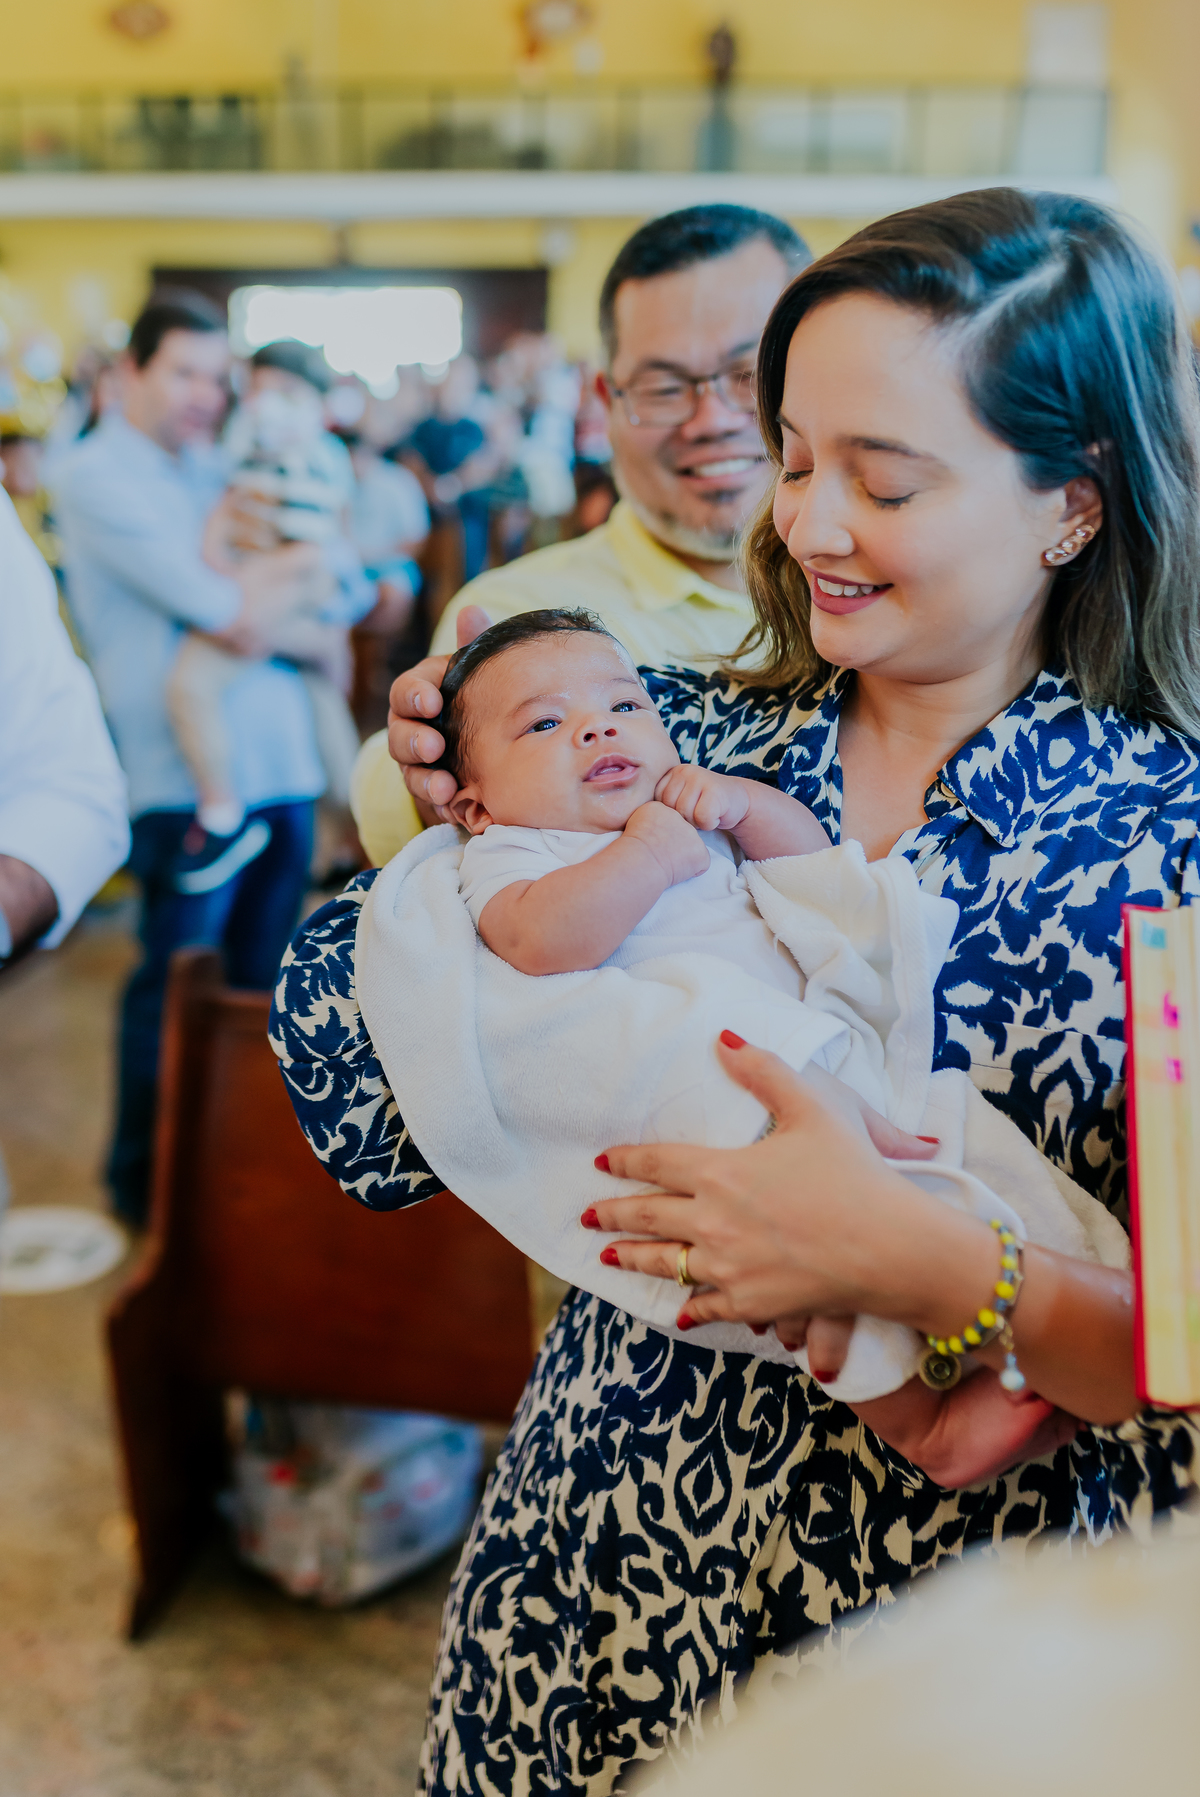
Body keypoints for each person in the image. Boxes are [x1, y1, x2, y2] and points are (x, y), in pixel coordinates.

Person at [272, 188, 1200, 1794]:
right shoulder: (665, 736)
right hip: (599, 1565)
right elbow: (356, 1105)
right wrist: (455, 850)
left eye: (883, 480)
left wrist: (940, 1264)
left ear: (1071, 499)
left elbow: (1178, 1351)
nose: (809, 525)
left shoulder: (1170, 846)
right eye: (795, 458)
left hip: (950, 1660)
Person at [361, 605, 1116, 1484]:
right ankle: (921, 1421)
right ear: (474, 803)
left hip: (827, 1058)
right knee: (815, 1279)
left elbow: (807, 867)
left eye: (624, 706)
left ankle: (1072, 1297)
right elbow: (540, 940)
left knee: (964, 1164)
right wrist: (646, 855)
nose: (598, 728)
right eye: (544, 723)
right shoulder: (513, 851)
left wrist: (746, 806)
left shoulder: (686, 800)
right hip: (716, 1095)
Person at [351, 203, 811, 866]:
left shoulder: (897, 592)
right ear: (605, 399)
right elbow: (427, 820)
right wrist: (440, 787)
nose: (711, 419)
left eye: (751, 375)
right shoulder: (524, 619)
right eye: (662, 386)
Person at [52, 289, 359, 1227]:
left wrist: (312, 613)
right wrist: (309, 628)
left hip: (281, 764)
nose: (203, 394)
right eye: (182, 372)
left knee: (260, 993)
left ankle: (226, 1196)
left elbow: (343, 584)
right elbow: (226, 609)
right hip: (184, 780)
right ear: (129, 372)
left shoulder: (220, 463)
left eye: (215, 377)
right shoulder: (96, 475)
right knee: (176, 989)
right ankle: (148, 1197)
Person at [168, 338, 371, 852]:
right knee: (323, 692)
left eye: (285, 392)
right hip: (278, 605)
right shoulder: (244, 453)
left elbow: (327, 555)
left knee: (195, 682)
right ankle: (354, 826)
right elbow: (226, 516)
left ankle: (349, 824)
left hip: (284, 593)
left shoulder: (318, 460)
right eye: (257, 391)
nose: (268, 404)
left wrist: (242, 587)